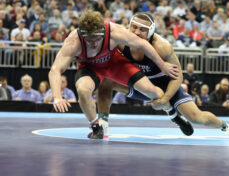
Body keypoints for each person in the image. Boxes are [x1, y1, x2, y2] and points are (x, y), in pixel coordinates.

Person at [97, 12, 229, 141]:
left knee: (196, 117)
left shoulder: (162, 46)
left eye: (142, 29)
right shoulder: (121, 41)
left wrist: (165, 98)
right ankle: (103, 122)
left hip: (166, 85)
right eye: (134, 27)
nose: (137, 32)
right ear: (129, 26)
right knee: (106, 81)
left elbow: (178, 76)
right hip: (139, 84)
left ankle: (226, 127)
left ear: (151, 31)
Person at [48, 9, 179, 139]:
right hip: (91, 68)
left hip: (115, 63)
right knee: (82, 89)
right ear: (82, 35)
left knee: (152, 90)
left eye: (98, 39)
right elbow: (55, 69)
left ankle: (173, 115)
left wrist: (163, 65)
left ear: (103, 32)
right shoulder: (73, 41)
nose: (94, 43)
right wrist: (57, 96)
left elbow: (143, 44)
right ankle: (95, 126)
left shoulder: (114, 31)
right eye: (89, 40)